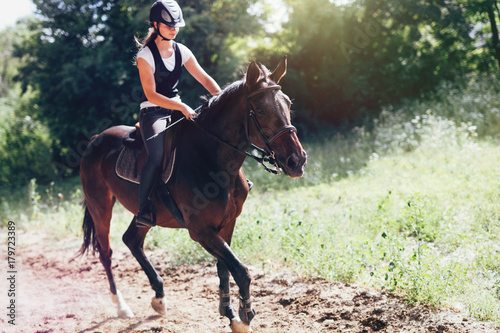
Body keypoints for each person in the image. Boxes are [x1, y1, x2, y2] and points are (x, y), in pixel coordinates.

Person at [135, 0, 221, 227]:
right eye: (168, 25)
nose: (174, 29)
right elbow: (151, 94)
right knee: (156, 154)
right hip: (152, 113)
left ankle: (232, 183)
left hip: (176, 108)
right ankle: (143, 209)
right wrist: (182, 107)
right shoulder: (145, 56)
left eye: (176, 25)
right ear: (156, 24)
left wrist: (221, 97)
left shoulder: (181, 51)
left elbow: (204, 79)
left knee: (208, 137)